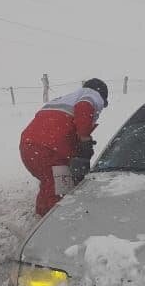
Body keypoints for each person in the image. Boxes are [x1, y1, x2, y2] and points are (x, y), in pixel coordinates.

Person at [19, 79, 107, 216]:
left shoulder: (64, 99)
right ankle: (52, 222)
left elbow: (60, 125)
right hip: (50, 150)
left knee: (51, 184)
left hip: (29, 146)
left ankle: (40, 218)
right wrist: (85, 139)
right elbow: (84, 107)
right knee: (59, 191)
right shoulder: (91, 94)